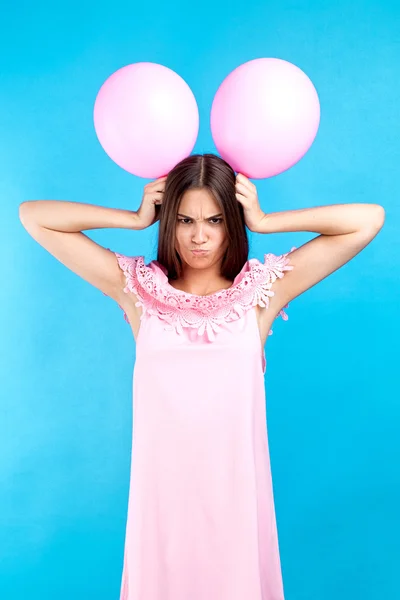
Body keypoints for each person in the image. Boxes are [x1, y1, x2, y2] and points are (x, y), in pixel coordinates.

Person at [19, 153, 385, 599]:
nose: (199, 236)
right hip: (163, 499)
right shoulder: (137, 290)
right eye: (184, 220)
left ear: (232, 222)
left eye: (214, 219)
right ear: (167, 222)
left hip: (233, 495)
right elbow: (34, 217)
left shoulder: (261, 292)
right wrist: (134, 219)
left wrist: (266, 222)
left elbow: (367, 220)